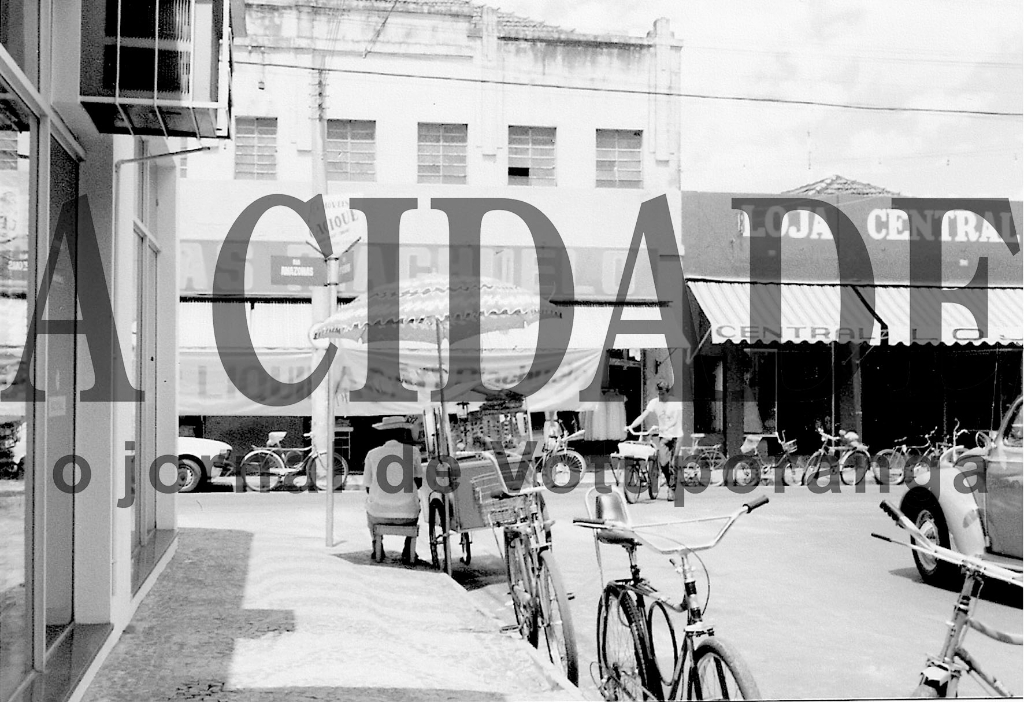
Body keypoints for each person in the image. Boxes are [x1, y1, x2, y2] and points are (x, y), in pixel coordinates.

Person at [363, 416, 424, 559]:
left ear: (383, 434)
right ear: (402, 432)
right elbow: (419, 482)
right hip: (408, 515)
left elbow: (367, 487)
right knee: (415, 504)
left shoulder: (372, 454)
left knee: (369, 507)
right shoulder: (413, 451)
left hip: (379, 514)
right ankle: (408, 547)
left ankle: (376, 545)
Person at [626, 380, 683, 498]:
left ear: (668, 393)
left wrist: (668, 426)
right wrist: (631, 426)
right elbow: (643, 416)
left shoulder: (676, 402)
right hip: (664, 436)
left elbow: (676, 419)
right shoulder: (654, 402)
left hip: (676, 435)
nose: (661, 397)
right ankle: (669, 482)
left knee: (673, 463)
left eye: (663, 394)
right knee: (663, 463)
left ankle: (672, 490)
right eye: (659, 394)